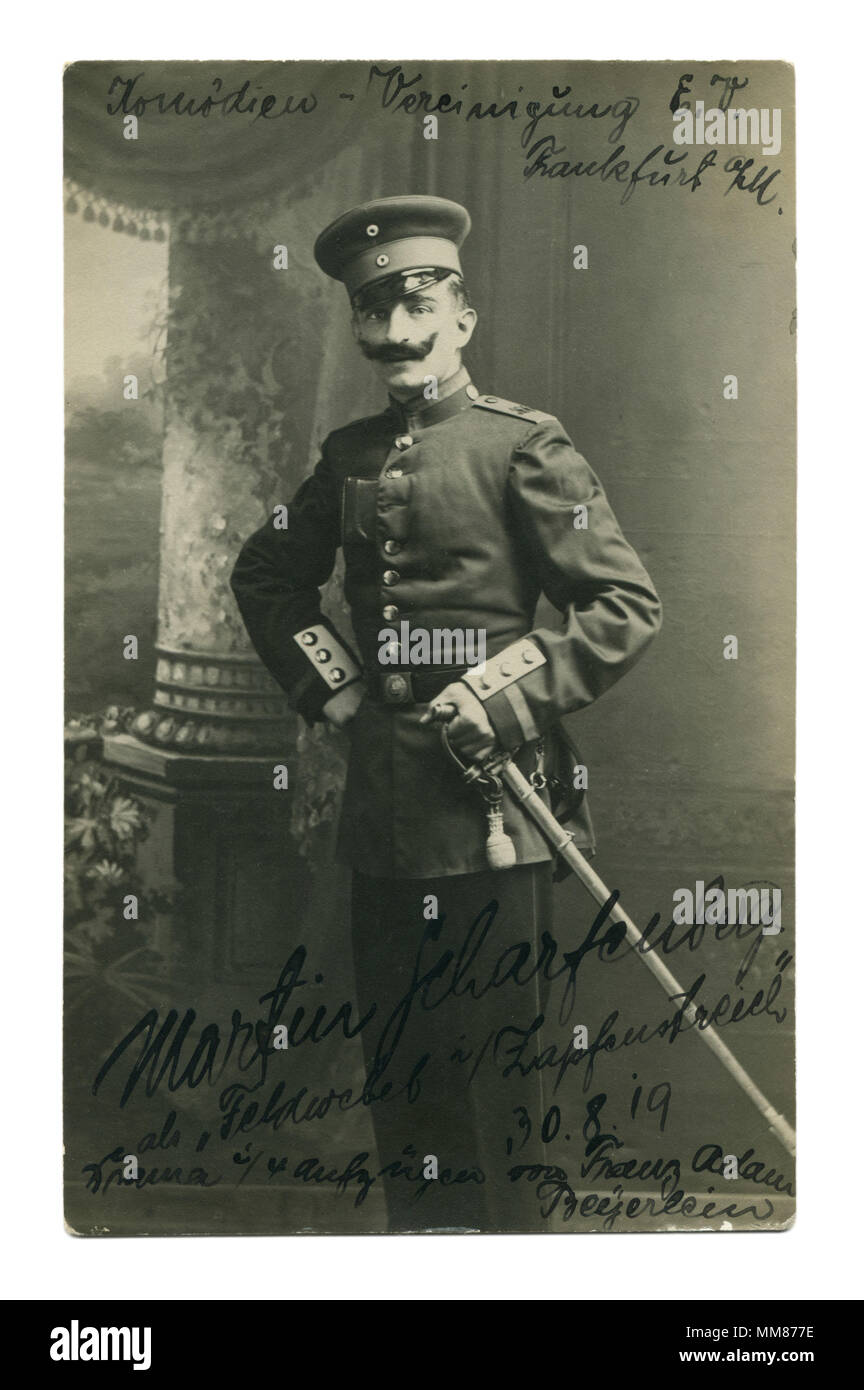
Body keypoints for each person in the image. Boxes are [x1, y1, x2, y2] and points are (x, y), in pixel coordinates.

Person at [230, 195, 662, 1232]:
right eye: (373, 313)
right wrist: (331, 685)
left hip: (493, 811)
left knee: (495, 1076)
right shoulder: (346, 458)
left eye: (416, 301)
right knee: (404, 1066)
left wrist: (502, 695)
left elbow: (625, 604)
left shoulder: (526, 445)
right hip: (384, 811)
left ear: (461, 312)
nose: (396, 331)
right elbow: (264, 575)